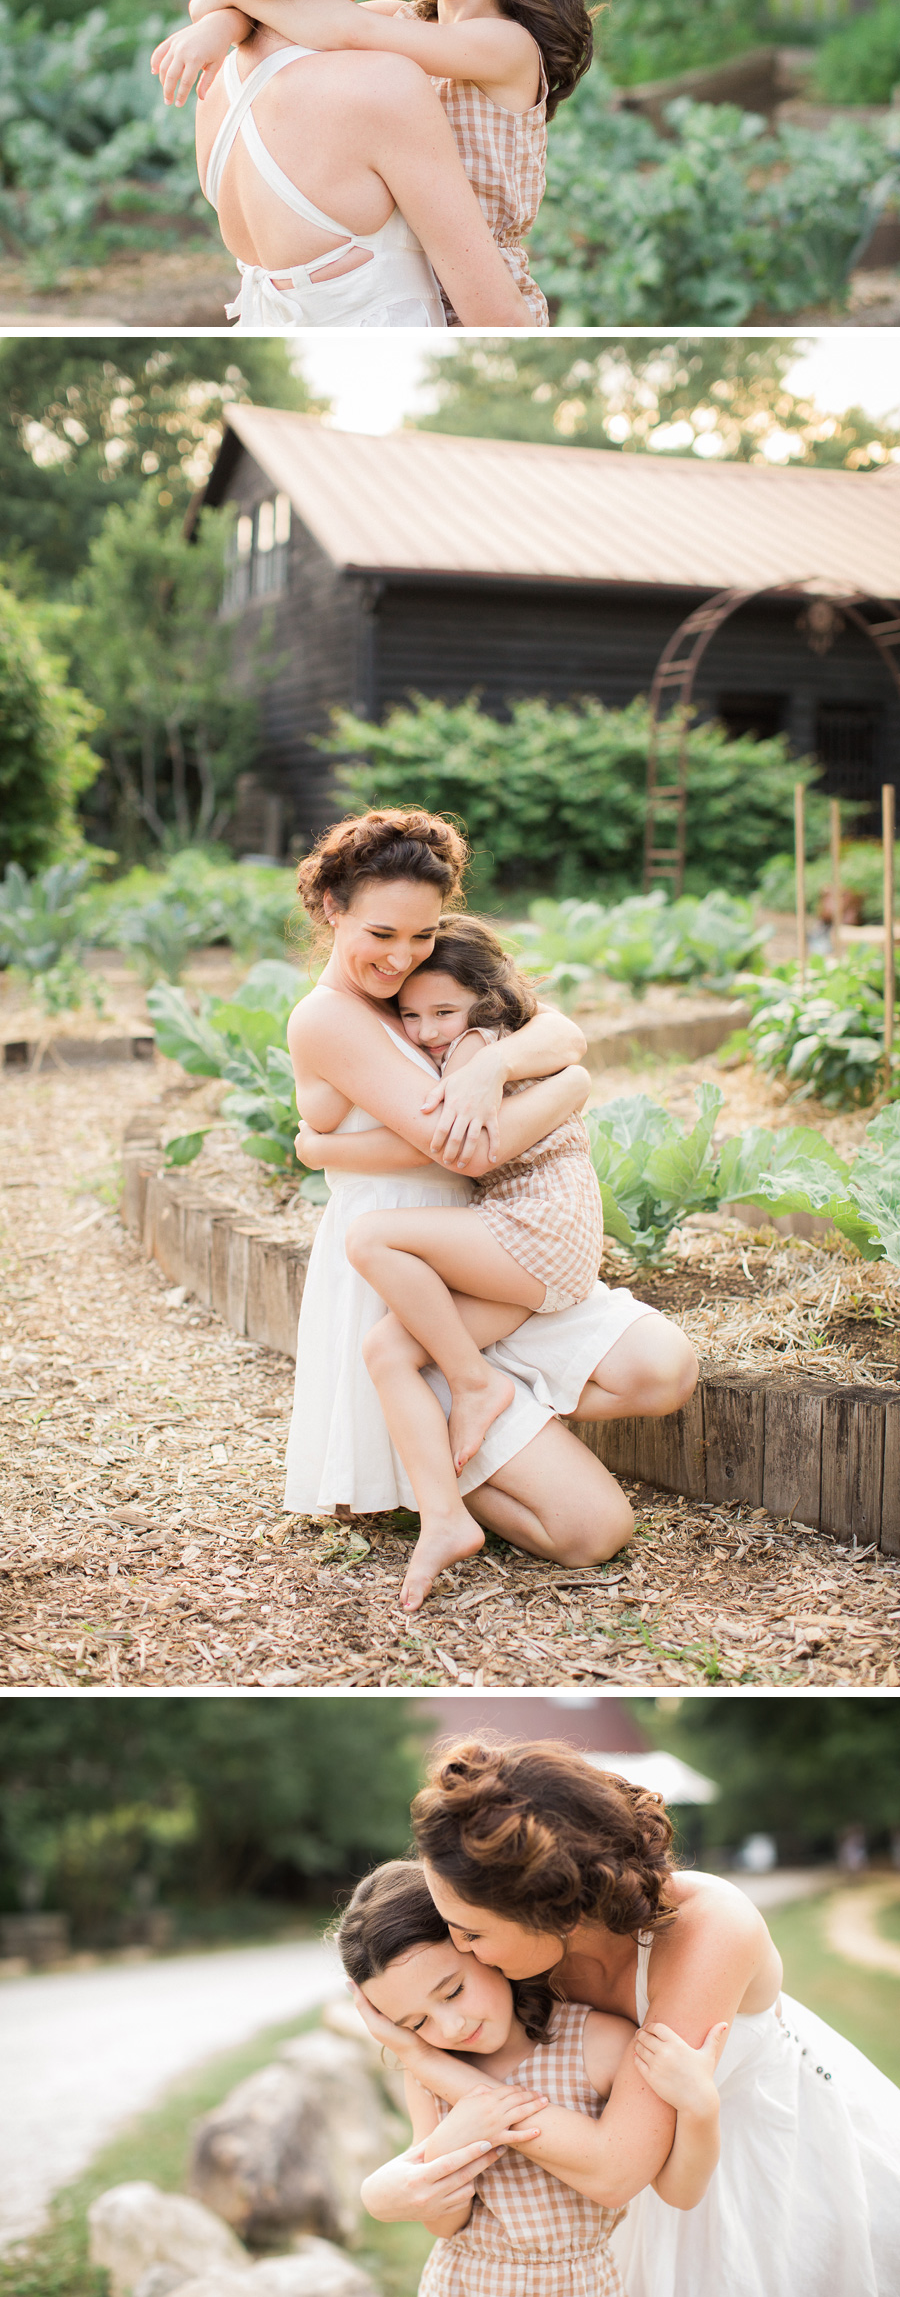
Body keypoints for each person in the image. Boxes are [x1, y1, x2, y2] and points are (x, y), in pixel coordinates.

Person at [283, 806, 698, 1590]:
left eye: (421, 933)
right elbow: (460, 1145)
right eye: (381, 933)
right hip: (408, 1270)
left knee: (663, 1370)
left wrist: (499, 1066)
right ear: (332, 907)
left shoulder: (417, 981)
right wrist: (566, 1091)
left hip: (488, 1236)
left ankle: (511, 1404)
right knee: (592, 1533)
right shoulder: (329, 1015)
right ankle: (452, 1441)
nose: (402, 955)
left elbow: (558, 1030)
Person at [352, 1734, 900, 2297]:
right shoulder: (518, 1966)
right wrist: (381, 2192)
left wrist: (427, 2062)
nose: (463, 1950)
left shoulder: (709, 1926)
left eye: (471, 1933)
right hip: (595, 2191)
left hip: (767, 2162)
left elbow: (616, 2168)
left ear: (549, 1909)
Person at [158, 0, 595, 327]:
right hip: (421, 278)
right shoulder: (411, 24)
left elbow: (342, 26)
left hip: (475, 294)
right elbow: (286, 17)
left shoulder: (507, 45)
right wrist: (221, 24)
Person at [295, 915, 605, 1610]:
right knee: (387, 1350)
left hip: (532, 1235)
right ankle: (446, 1517)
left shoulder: (471, 1047)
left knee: (372, 1239)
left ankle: (474, 1384)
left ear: (482, 1002)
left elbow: (463, 1146)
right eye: (414, 1015)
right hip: (539, 1247)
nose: (426, 1028)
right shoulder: (400, 1023)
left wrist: (319, 1150)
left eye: (442, 1011)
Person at [337, 1857, 726, 2297]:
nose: (451, 2027)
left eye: (453, 1991)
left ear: (479, 1946)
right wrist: (451, 2144)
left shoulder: (596, 2043)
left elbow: (679, 2191)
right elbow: (444, 2224)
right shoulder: (430, 2073)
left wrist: (700, 2107)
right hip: (462, 2283)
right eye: (416, 2023)